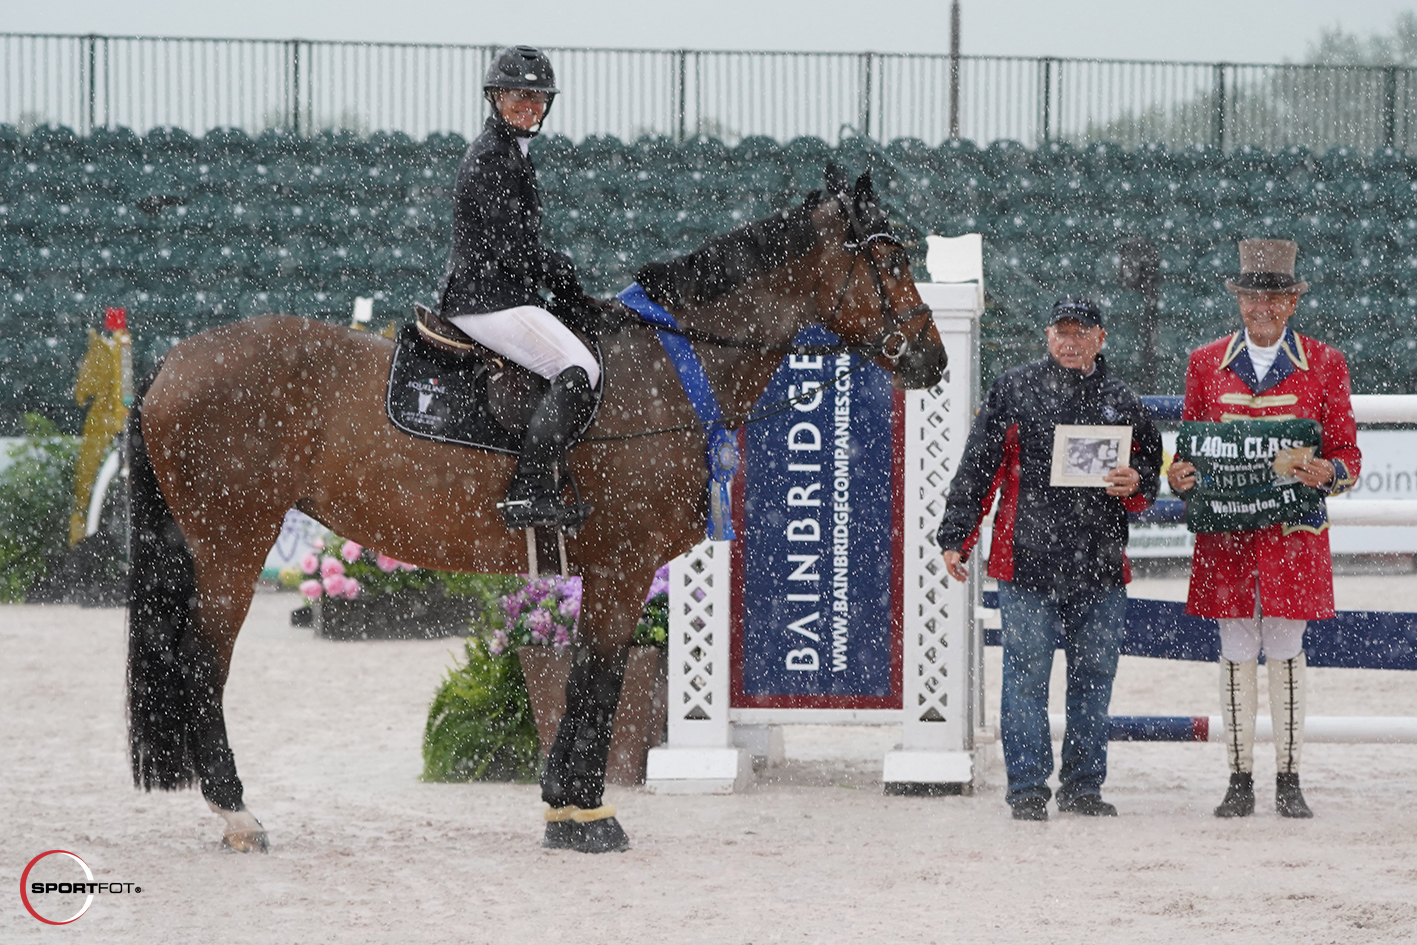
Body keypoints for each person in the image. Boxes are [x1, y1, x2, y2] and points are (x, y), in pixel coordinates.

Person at [937, 297, 1162, 821]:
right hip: (1027, 563)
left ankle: (1083, 786)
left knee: (1092, 678)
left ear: (1100, 339)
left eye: (1080, 332)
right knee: (1026, 677)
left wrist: (1137, 485)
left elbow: (1148, 476)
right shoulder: (1013, 390)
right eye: (1062, 331)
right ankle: (1029, 790)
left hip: (1097, 564)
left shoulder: (1124, 401)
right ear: (1047, 334)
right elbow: (979, 467)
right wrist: (957, 535)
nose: (1070, 341)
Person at [1167, 239, 1360, 819]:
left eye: (1275, 298)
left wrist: (1330, 471)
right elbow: (1190, 452)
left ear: (1293, 303)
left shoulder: (1326, 362)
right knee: (1233, 650)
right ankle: (1239, 776)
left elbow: (1348, 452)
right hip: (1228, 535)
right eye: (1254, 296)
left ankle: (1289, 776)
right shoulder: (1205, 362)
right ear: (1240, 300)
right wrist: (1181, 476)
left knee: (1286, 649)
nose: (1264, 308)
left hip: (1290, 536)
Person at [438, 45, 603, 529]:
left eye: (537, 98)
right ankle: (528, 492)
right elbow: (508, 247)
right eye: (518, 96)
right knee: (578, 366)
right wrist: (559, 271)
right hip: (484, 298)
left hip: (497, 292)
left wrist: (557, 279)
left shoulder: (510, 152)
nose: (528, 106)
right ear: (495, 98)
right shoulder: (494, 157)